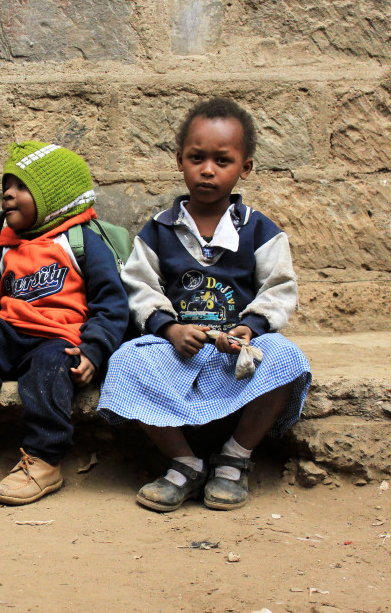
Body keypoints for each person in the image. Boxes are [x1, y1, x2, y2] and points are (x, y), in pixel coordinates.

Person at [97, 98, 312, 512]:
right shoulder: (158, 231)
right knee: (125, 362)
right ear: (180, 161)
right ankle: (184, 462)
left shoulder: (259, 230)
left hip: (237, 351)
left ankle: (235, 457)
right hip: (180, 349)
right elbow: (139, 287)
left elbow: (279, 288)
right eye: (197, 158)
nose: (208, 169)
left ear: (244, 168)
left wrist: (251, 327)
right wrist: (170, 328)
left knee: (287, 359)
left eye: (222, 160)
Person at [0, 141, 128, 505]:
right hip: (10, 328)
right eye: (5, 188)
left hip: (59, 337)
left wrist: (94, 350)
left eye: (21, 188)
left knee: (47, 371)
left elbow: (112, 304)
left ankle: (44, 460)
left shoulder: (82, 241)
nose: (8, 196)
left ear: (54, 199)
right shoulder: (7, 241)